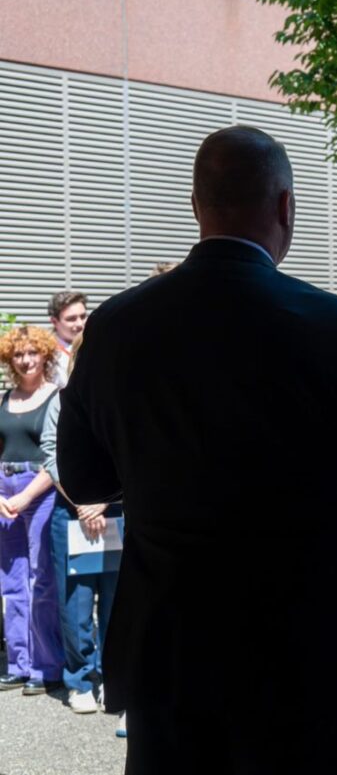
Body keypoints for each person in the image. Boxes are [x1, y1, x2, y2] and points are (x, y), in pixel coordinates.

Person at [56, 126, 337, 775]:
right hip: (301, 650)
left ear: (197, 205)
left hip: (171, 648)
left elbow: (83, 473)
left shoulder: (117, 325)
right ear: (285, 207)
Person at [39, 332, 122, 715]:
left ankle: (112, 676)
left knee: (116, 604)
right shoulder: (61, 400)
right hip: (70, 514)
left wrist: (105, 501)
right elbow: (50, 453)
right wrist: (84, 502)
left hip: (115, 513)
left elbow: (128, 453)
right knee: (75, 603)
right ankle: (80, 679)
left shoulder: (120, 398)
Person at [0, 325, 65, 695]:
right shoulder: (5, 398)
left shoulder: (55, 396)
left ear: (45, 355)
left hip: (40, 490)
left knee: (42, 580)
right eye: (18, 355)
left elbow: (57, 456)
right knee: (11, 582)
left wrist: (25, 496)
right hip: (4, 492)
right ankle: (18, 663)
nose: (25, 360)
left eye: (32, 353)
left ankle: (46, 666)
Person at [47, 291, 88, 388]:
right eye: (71, 319)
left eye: (83, 317)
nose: (80, 324)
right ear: (54, 321)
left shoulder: (97, 344)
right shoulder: (47, 353)